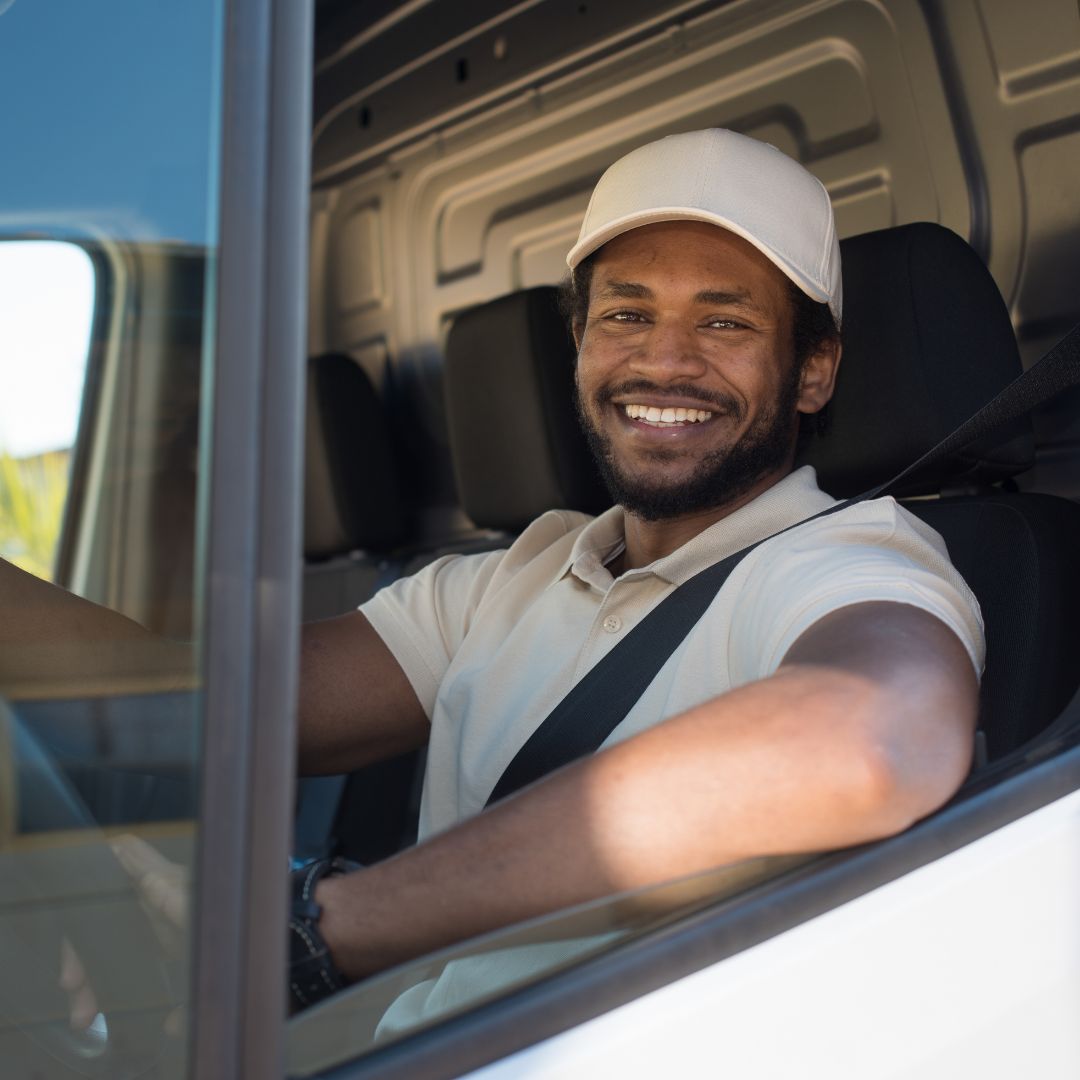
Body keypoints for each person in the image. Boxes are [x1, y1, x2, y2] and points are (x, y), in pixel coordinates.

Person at [290, 129, 983, 1013]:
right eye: (627, 314)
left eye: (725, 321)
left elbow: (874, 739)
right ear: (580, 342)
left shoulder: (846, 560)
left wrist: (333, 927)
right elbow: (201, 711)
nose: (664, 360)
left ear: (812, 372)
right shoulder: (507, 580)